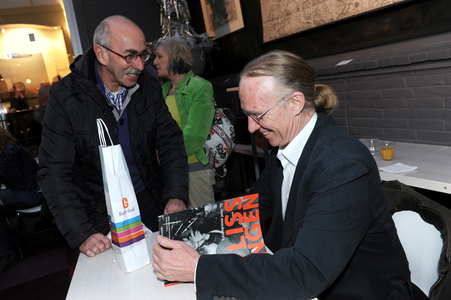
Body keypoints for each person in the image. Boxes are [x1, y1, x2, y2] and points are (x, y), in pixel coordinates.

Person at [152, 50, 426, 299]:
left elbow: (305, 272)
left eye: (258, 114)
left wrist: (198, 268)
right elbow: (252, 206)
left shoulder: (341, 165)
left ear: (296, 103)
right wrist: (182, 230)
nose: (250, 127)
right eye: (247, 114)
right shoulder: (286, 146)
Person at [37, 15, 189, 258]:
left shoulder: (148, 86)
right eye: (130, 56)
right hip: (98, 219)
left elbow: (170, 141)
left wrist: (175, 195)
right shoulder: (65, 97)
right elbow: (53, 172)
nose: (140, 66)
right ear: (101, 54)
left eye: (143, 55)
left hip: (150, 204)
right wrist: (80, 232)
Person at [153, 37, 215, 207]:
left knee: (203, 228)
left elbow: (195, 135)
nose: (155, 62)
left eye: (159, 56)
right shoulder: (163, 90)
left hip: (194, 169)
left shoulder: (200, 86)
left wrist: (165, 156)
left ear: (174, 56)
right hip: (169, 173)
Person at [0, 126, 44, 274]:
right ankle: (6, 254)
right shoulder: (9, 151)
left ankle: (7, 254)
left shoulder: (10, 152)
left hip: (33, 194)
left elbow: (3, 176)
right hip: (25, 192)